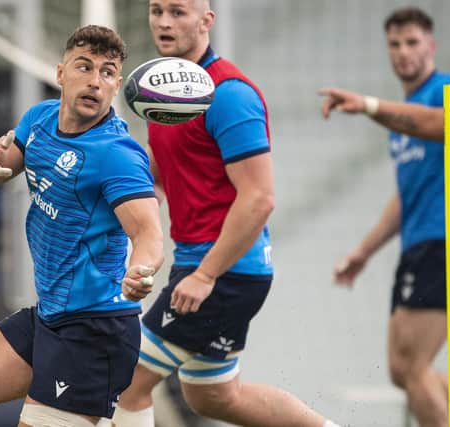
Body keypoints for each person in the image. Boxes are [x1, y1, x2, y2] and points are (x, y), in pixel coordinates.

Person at [112, 1, 341, 427]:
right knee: (213, 396)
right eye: (156, 10)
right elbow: (160, 179)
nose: (163, 21)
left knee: (126, 380)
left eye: (178, 11)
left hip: (225, 273)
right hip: (205, 267)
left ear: (206, 20)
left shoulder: (231, 94)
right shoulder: (164, 95)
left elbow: (259, 198)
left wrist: (206, 275)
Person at [0, 25, 165, 427]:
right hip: (50, 316)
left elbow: (148, 232)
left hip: (95, 328)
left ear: (117, 85)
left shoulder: (117, 155)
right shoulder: (39, 121)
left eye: (108, 72)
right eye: (84, 67)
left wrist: (140, 271)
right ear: (61, 73)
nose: (95, 81)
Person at [319, 7, 450, 427]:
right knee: (400, 369)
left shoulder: (449, 91)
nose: (403, 52)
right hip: (420, 241)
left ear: (432, 46)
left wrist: (370, 105)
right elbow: (405, 197)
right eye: (395, 44)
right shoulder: (402, 116)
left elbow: (438, 124)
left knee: (410, 365)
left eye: (412, 42)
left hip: (449, 238)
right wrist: (363, 252)